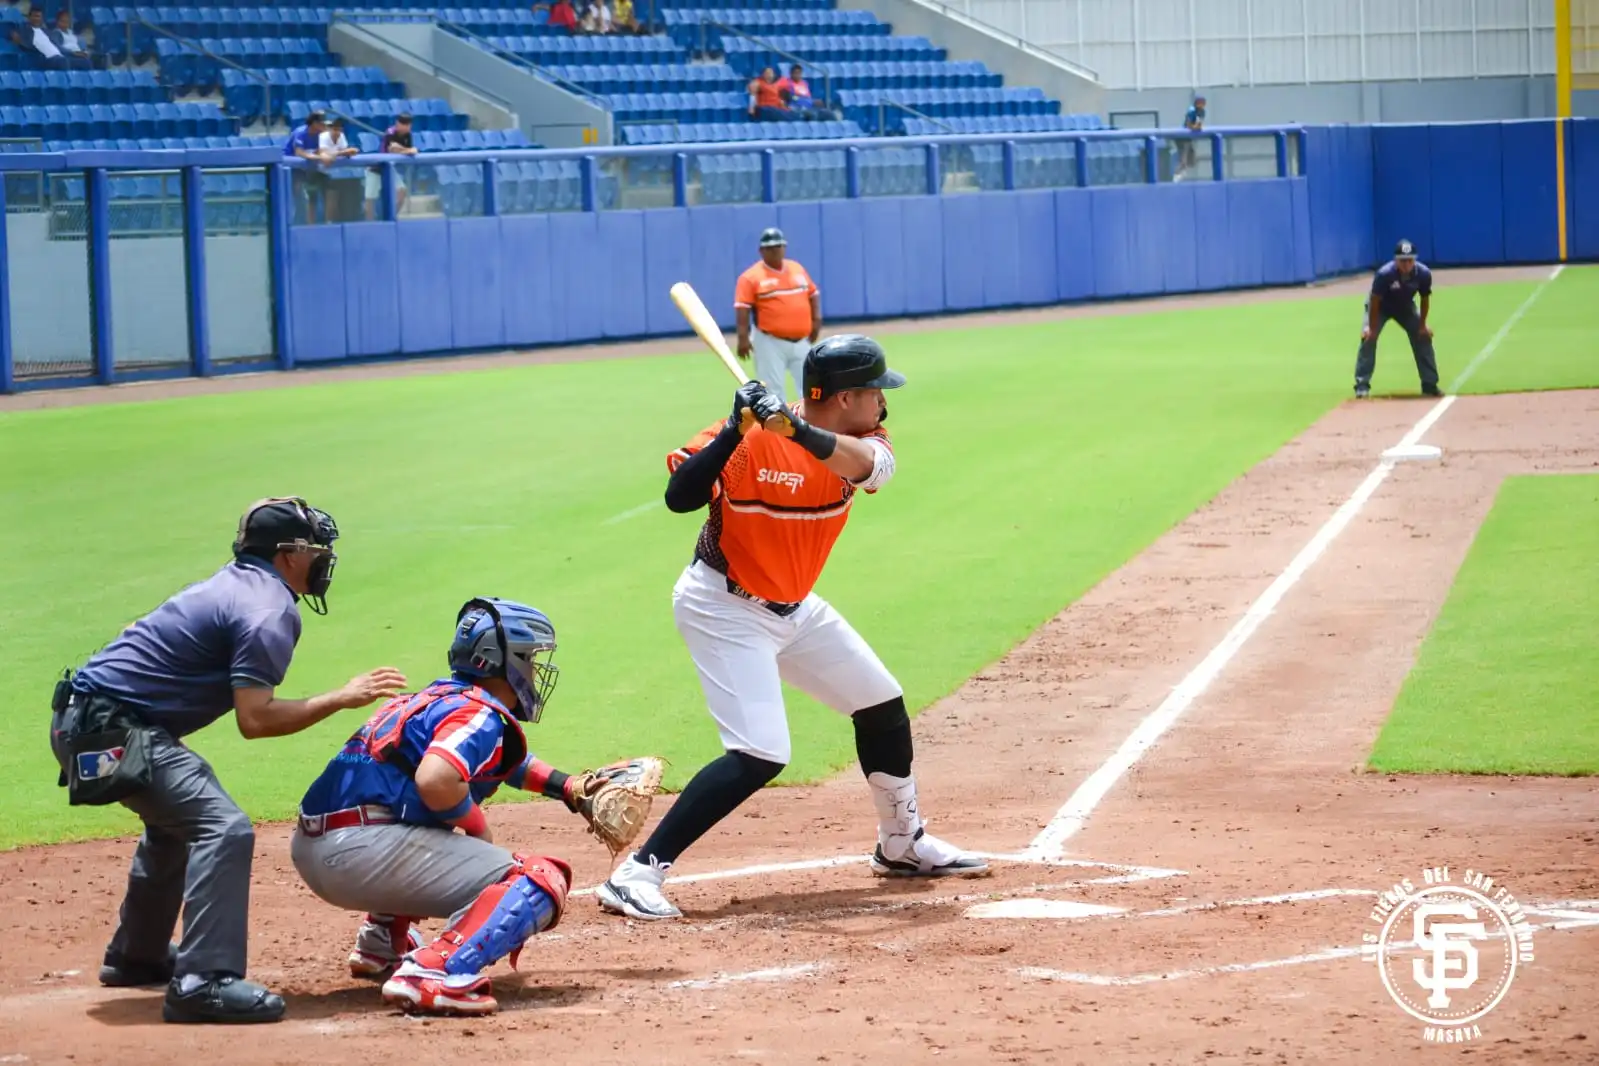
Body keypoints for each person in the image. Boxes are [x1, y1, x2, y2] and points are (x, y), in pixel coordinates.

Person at [595, 336, 988, 922]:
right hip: (723, 606)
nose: (884, 401)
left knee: (880, 704)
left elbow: (864, 466)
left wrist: (795, 430)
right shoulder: (748, 438)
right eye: (875, 390)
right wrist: (734, 431)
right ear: (846, 396)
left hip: (794, 607)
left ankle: (901, 844)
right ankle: (637, 873)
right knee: (760, 752)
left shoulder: (867, 443)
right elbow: (679, 498)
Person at [48, 498, 408, 1024]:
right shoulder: (269, 609)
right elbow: (254, 719)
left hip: (87, 721)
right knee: (223, 827)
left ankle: (138, 954)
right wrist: (341, 697)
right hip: (106, 730)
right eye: (316, 549)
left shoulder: (236, 583)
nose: (324, 558)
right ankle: (204, 983)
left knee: (177, 821)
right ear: (288, 555)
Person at [291, 598, 662, 1015]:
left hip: (317, 848)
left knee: (425, 821)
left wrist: (567, 786)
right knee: (538, 880)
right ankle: (432, 971)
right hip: (358, 855)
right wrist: (476, 824)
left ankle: (382, 941)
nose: (535, 670)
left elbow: (498, 759)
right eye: (530, 659)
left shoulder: (435, 700)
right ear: (504, 662)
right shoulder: (478, 715)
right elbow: (436, 778)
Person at [735, 227, 820, 404]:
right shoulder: (751, 277)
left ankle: (809, 421)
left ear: (784, 247)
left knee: (810, 386)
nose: (775, 250)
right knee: (773, 390)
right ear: (761, 251)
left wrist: (816, 321)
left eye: (778, 246)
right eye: (770, 247)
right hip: (769, 341)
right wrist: (743, 337)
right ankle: (779, 422)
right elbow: (743, 308)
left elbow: (813, 294)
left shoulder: (797, 269)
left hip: (801, 339)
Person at [1355, 239, 1441, 399]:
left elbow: (1424, 299)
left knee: (1423, 337)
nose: (1406, 264)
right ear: (1395, 260)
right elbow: (1374, 300)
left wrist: (1422, 325)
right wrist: (1371, 329)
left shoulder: (1423, 274)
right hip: (1380, 308)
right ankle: (1362, 386)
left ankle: (1430, 384)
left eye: (1409, 260)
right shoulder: (1384, 274)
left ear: (1414, 260)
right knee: (1368, 339)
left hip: (1404, 307)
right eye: (1402, 261)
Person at [365, 112, 417, 221]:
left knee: (402, 191)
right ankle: (370, 223)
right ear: (398, 123)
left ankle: (390, 217)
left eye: (408, 124)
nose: (406, 127)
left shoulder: (408, 135)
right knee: (370, 198)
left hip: (389, 169)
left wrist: (405, 150)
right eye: (403, 123)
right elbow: (392, 148)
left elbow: (411, 150)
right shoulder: (390, 132)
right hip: (376, 168)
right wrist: (407, 150)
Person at [283, 110, 330, 224]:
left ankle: (311, 224)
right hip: (291, 167)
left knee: (316, 193)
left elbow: (324, 149)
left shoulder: (322, 135)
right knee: (295, 196)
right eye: (322, 123)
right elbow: (299, 152)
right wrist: (316, 157)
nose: (324, 126)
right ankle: (290, 223)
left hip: (308, 168)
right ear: (314, 123)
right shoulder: (301, 132)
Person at [1175, 94, 1205, 181]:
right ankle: (1177, 175)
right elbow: (1188, 125)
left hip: (1189, 138)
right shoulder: (1191, 110)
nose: (1201, 104)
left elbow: (1199, 123)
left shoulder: (1202, 111)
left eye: (1202, 103)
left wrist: (1198, 126)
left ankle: (1183, 171)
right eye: (1199, 102)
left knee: (1192, 160)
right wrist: (1195, 127)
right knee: (1183, 158)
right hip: (1182, 138)